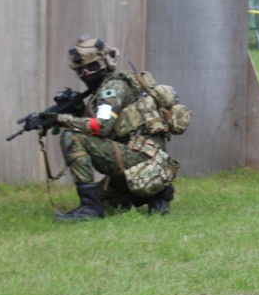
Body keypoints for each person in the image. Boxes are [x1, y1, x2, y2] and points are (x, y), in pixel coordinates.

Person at [39, 35, 179, 221]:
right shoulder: (111, 87)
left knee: (72, 136)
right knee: (105, 199)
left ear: (105, 62)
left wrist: (61, 119)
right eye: (80, 70)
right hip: (145, 158)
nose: (86, 73)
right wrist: (77, 112)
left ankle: (90, 209)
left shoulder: (112, 88)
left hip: (140, 157)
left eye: (92, 67)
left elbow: (101, 127)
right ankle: (155, 193)